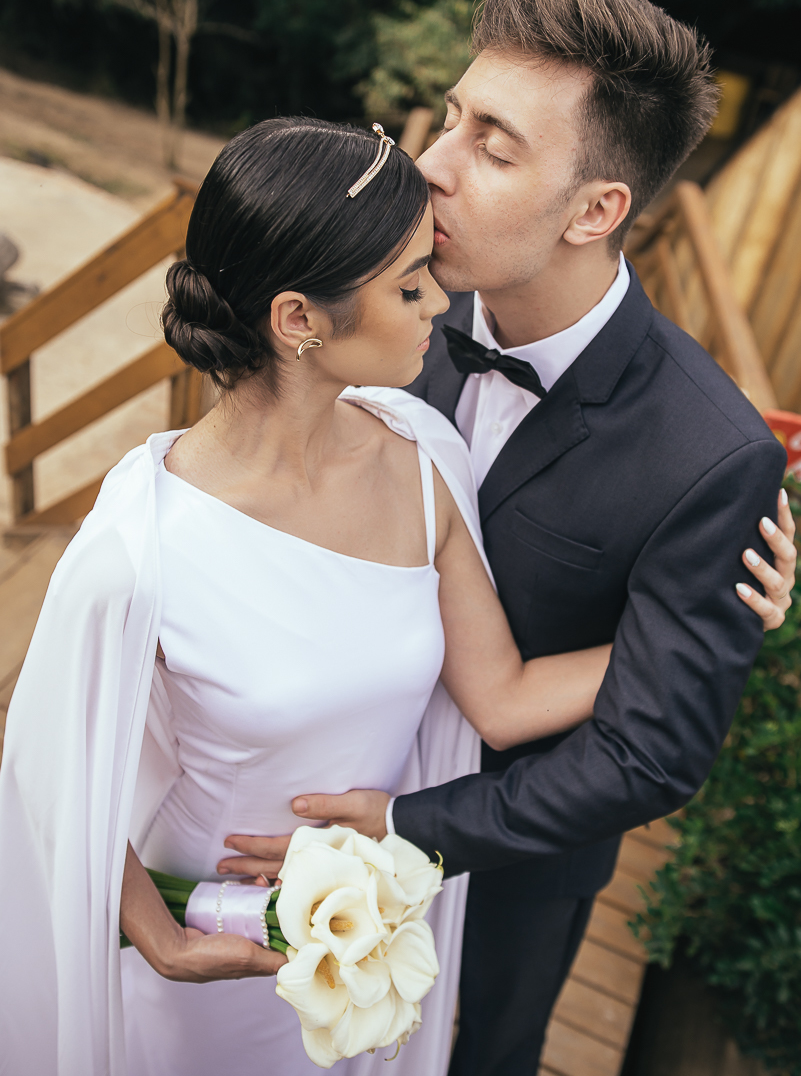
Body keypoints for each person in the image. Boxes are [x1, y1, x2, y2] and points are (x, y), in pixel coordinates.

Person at [0, 116, 685, 1076]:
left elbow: (503, 695)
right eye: (408, 287)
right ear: (298, 321)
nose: (438, 306)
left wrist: (703, 621)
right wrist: (158, 934)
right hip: (207, 944)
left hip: (368, 944)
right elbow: (42, 769)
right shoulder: (140, 547)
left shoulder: (420, 460)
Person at [233, 0, 797, 1075]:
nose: (431, 164)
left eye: (493, 147)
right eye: (450, 117)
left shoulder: (712, 457)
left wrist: (410, 829)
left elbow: (650, 749)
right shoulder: (382, 320)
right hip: (291, 785)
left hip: (510, 872)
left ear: (597, 210)